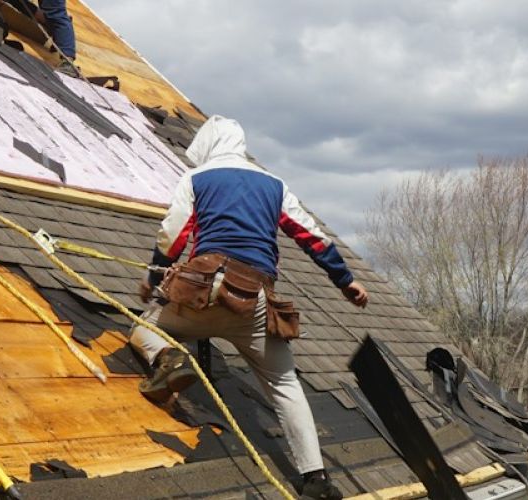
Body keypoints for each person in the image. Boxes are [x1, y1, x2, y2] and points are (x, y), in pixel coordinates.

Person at [132, 116, 368, 500]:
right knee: (284, 383)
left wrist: (153, 279)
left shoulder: (198, 179)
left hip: (204, 295)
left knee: (143, 327)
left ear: (208, 145)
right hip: (255, 301)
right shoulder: (274, 185)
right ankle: (316, 480)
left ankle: (170, 359)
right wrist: (346, 281)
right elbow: (312, 236)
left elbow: (173, 234)